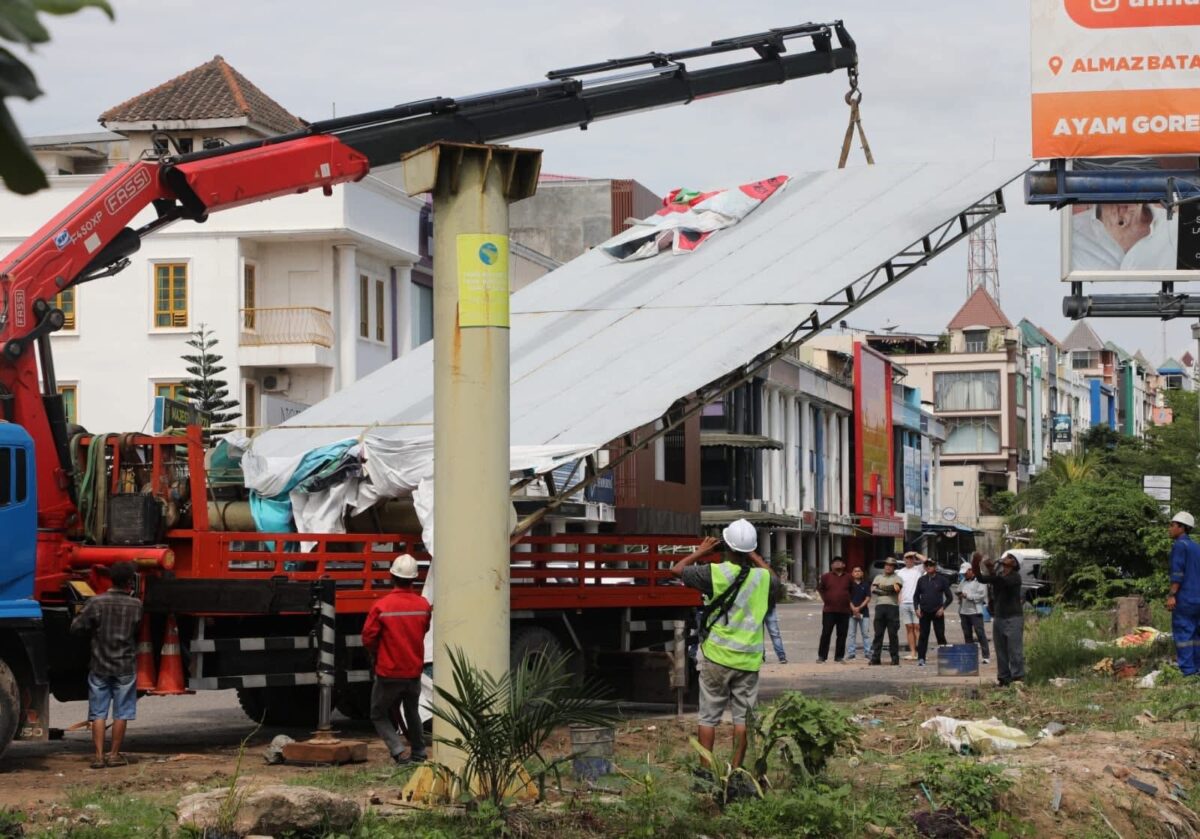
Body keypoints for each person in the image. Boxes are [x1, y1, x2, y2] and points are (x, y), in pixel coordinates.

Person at [671, 519, 774, 771]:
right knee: (743, 719)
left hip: (717, 656)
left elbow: (677, 570)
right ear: (751, 549)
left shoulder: (714, 573)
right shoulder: (761, 578)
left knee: (708, 717)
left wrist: (701, 551)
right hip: (748, 659)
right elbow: (775, 579)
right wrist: (753, 554)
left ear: (726, 545)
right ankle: (736, 771)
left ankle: (706, 771)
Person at [69, 561, 142, 769]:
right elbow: (136, 628)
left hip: (99, 664)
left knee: (98, 712)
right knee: (122, 712)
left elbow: (76, 628)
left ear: (110, 579)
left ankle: (99, 756)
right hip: (125, 665)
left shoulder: (96, 603)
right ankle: (114, 755)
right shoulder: (136, 605)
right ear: (130, 582)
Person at [362, 554, 432, 764]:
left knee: (378, 713)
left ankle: (399, 751)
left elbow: (368, 638)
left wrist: (379, 654)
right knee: (412, 712)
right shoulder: (423, 605)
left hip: (389, 672)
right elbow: (424, 629)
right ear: (414, 579)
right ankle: (419, 752)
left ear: (392, 576)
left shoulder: (382, 607)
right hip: (413, 672)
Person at [973, 551, 1024, 686]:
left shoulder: (1015, 577)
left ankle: (1017, 678)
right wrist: (975, 563)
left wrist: (990, 569)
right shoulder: (1000, 575)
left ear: (1014, 563)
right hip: (999, 617)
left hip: (1013, 618)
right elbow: (981, 579)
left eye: (1009, 557)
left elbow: (999, 582)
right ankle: (1003, 679)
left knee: (1014, 651)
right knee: (1000, 651)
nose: (1005, 558)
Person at [1167, 511, 1200, 678]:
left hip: (1185, 599)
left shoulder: (1179, 546)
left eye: (1172, 525)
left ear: (1182, 528)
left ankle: (1188, 671)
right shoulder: (1196, 547)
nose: (1169, 528)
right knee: (1196, 635)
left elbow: (1177, 574)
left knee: (1184, 634)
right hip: (1198, 599)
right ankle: (1197, 669)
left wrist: (1172, 595)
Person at [914, 557, 952, 667]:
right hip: (924, 612)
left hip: (937, 612)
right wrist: (916, 608)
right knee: (923, 636)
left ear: (935, 567)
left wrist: (942, 608)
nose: (928, 567)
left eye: (931, 565)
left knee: (940, 635)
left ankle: (945, 659)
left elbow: (949, 597)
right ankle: (921, 658)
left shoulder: (942, 580)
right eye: (926, 565)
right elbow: (916, 596)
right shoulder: (921, 580)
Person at [816, 557, 853, 663]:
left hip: (844, 610)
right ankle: (822, 656)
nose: (837, 564)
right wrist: (826, 599)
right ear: (831, 566)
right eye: (834, 563)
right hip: (829, 610)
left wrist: (847, 600)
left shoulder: (849, 577)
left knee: (842, 634)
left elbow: (852, 590)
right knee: (826, 633)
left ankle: (839, 656)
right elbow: (821, 589)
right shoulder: (826, 577)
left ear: (843, 565)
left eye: (839, 562)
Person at [869, 556, 902, 665]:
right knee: (878, 634)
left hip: (892, 607)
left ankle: (894, 658)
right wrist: (888, 589)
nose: (888, 567)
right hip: (880, 607)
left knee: (893, 634)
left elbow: (896, 589)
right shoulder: (878, 577)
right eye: (887, 565)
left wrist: (881, 588)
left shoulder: (897, 578)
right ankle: (875, 658)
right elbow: (873, 590)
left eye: (891, 566)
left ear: (894, 568)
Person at [957, 561, 990, 665]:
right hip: (964, 611)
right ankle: (970, 655)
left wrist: (968, 596)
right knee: (967, 634)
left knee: (980, 633)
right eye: (963, 573)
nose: (964, 575)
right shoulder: (963, 581)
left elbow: (982, 596)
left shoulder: (980, 581)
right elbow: (958, 590)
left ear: (971, 571)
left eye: (965, 573)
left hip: (975, 612)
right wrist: (959, 595)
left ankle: (986, 656)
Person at [897, 552, 924, 661]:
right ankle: (912, 652)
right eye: (907, 558)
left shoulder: (918, 569)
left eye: (911, 558)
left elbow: (926, 561)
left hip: (916, 603)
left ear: (914, 559)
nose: (909, 560)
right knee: (909, 628)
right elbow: (898, 587)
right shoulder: (900, 572)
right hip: (904, 603)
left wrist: (915, 553)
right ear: (904, 560)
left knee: (918, 627)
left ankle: (921, 652)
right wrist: (899, 599)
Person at [762, 566, 788, 664]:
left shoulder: (756, 578)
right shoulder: (774, 579)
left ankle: (761, 656)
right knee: (775, 634)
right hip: (769, 608)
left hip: (761, 609)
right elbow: (778, 592)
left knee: (760, 635)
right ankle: (781, 656)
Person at [846, 565, 871, 660]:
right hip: (851, 612)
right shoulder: (849, 585)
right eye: (855, 571)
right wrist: (853, 608)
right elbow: (847, 598)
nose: (857, 572)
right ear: (852, 573)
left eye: (859, 571)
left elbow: (868, 598)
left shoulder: (866, 584)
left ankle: (868, 652)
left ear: (862, 573)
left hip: (864, 613)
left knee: (865, 634)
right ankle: (851, 653)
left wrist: (859, 608)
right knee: (852, 634)